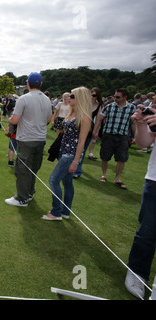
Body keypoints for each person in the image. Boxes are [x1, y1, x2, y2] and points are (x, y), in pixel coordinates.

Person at [42, 87, 92, 221]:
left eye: (72, 96)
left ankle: (56, 212)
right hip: (63, 152)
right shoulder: (71, 114)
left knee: (53, 180)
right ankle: (65, 211)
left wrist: (76, 162)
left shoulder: (85, 117)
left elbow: (82, 142)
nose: (69, 98)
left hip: (70, 155)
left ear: (80, 98)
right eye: (69, 95)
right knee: (67, 182)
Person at [5, 72, 52, 207]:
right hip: (40, 139)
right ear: (41, 84)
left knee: (23, 168)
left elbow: (14, 119)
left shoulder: (23, 98)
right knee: (33, 167)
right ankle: (30, 192)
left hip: (26, 140)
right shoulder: (47, 99)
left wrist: (9, 119)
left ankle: (22, 198)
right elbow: (48, 119)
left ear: (28, 84)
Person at [124, 104, 156, 299]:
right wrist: (141, 125)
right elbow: (143, 143)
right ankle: (137, 272)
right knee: (147, 232)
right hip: (154, 179)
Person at [92, 88, 136, 189]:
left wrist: (136, 136)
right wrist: (95, 131)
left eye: (117, 97)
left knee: (121, 158)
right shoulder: (109, 107)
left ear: (125, 97)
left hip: (123, 136)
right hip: (108, 134)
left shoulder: (132, 108)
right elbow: (99, 119)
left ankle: (118, 179)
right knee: (105, 156)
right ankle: (104, 175)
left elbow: (134, 124)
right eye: (114, 96)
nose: (115, 98)